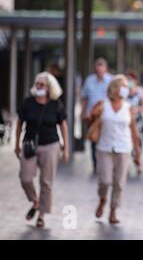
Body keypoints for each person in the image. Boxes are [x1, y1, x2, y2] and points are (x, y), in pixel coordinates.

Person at [15, 72, 69, 228]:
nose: (38, 86)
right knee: (25, 178)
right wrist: (16, 144)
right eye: (37, 83)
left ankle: (42, 215)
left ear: (49, 87)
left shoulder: (56, 104)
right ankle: (35, 201)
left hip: (50, 144)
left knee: (46, 182)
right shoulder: (28, 102)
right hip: (29, 143)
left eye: (42, 84)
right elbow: (19, 123)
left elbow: (63, 125)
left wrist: (66, 147)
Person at [89, 75, 141, 224]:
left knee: (119, 182)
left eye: (127, 86)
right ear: (114, 88)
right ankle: (102, 199)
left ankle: (113, 211)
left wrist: (137, 153)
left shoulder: (129, 107)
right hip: (104, 147)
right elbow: (89, 119)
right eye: (123, 86)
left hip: (124, 148)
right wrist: (93, 112)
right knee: (104, 180)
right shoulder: (103, 104)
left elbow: (134, 131)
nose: (126, 89)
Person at [81, 58, 112, 173]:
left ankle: (105, 163)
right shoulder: (89, 80)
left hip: (105, 115)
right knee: (93, 138)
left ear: (105, 69)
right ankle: (95, 163)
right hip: (92, 116)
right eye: (98, 69)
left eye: (102, 69)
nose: (99, 71)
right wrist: (83, 112)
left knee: (105, 138)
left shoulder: (110, 80)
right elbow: (84, 98)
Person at [126, 71, 143, 175]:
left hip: (138, 121)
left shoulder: (140, 91)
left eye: (131, 79)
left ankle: (138, 162)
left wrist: (137, 110)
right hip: (126, 121)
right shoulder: (123, 91)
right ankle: (127, 164)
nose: (129, 82)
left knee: (138, 143)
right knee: (127, 143)